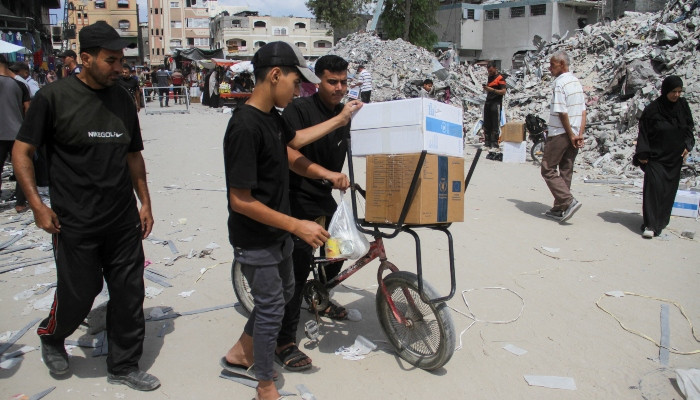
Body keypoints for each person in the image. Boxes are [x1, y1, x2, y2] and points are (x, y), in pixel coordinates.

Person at [11, 21, 159, 391]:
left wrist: (145, 202)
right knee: (79, 292)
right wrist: (37, 206)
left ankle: (123, 365)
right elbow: (22, 151)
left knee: (129, 292)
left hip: (121, 218)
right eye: (111, 60)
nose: (119, 67)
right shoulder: (53, 98)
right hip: (74, 220)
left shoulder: (122, 99)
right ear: (86, 58)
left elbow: (133, 155)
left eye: (121, 60)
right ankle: (51, 335)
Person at [221, 41, 361, 400]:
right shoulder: (244, 126)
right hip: (257, 236)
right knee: (272, 307)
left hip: (279, 231)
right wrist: (296, 225)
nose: (299, 91)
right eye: (296, 82)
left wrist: (340, 123)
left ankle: (240, 352)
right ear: (275, 75)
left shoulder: (272, 118)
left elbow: (294, 142)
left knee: (284, 294)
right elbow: (240, 200)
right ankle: (265, 384)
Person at [278, 54, 362, 372]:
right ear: (317, 81)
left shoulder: (346, 113)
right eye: (332, 82)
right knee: (298, 268)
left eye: (343, 82)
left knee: (340, 248)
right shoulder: (300, 110)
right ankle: (284, 341)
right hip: (295, 196)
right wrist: (327, 172)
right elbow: (289, 153)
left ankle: (320, 295)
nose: (339, 88)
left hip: (323, 196)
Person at [633, 76, 695, 238]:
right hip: (656, 157)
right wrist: (643, 153)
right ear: (665, 91)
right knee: (653, 189)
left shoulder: (682, 106)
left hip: (674, 159)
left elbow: (689, 127)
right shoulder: (653, 110)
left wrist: (688, 145)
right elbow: (644, 132)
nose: (676, 95)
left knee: (668, 192)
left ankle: (659, 222)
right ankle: (650, 224)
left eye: (679, 91)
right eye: (673, 91)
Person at [541, 51, 586, 223]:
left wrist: (571, 134)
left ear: (562, 64)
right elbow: (583, 111)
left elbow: (562, 112)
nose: (550, 68)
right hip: (573, 132)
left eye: (552, 65)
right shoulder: (576, 82)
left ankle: (568, 201)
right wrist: (579, 134)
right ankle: (560, 208)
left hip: (560, 133)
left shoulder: (560, 83)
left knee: (547, 168)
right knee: (566, 169)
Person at [0, 55, 30, 204]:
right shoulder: (20, 85)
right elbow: (28, 109)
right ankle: (20, 203)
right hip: (18, 133)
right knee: (21, 168)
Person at [482, 61, 506, 159]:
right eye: (489, 71)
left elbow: (503, 91)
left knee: (495, 124)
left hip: (496, 103)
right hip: (488, 102)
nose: (490, 73)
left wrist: (492, 90)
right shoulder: (490, 77)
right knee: (487, 123)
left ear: (495, 68)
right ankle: (487, 143)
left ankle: (495, 144)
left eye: (491, 71)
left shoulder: (500, 78)